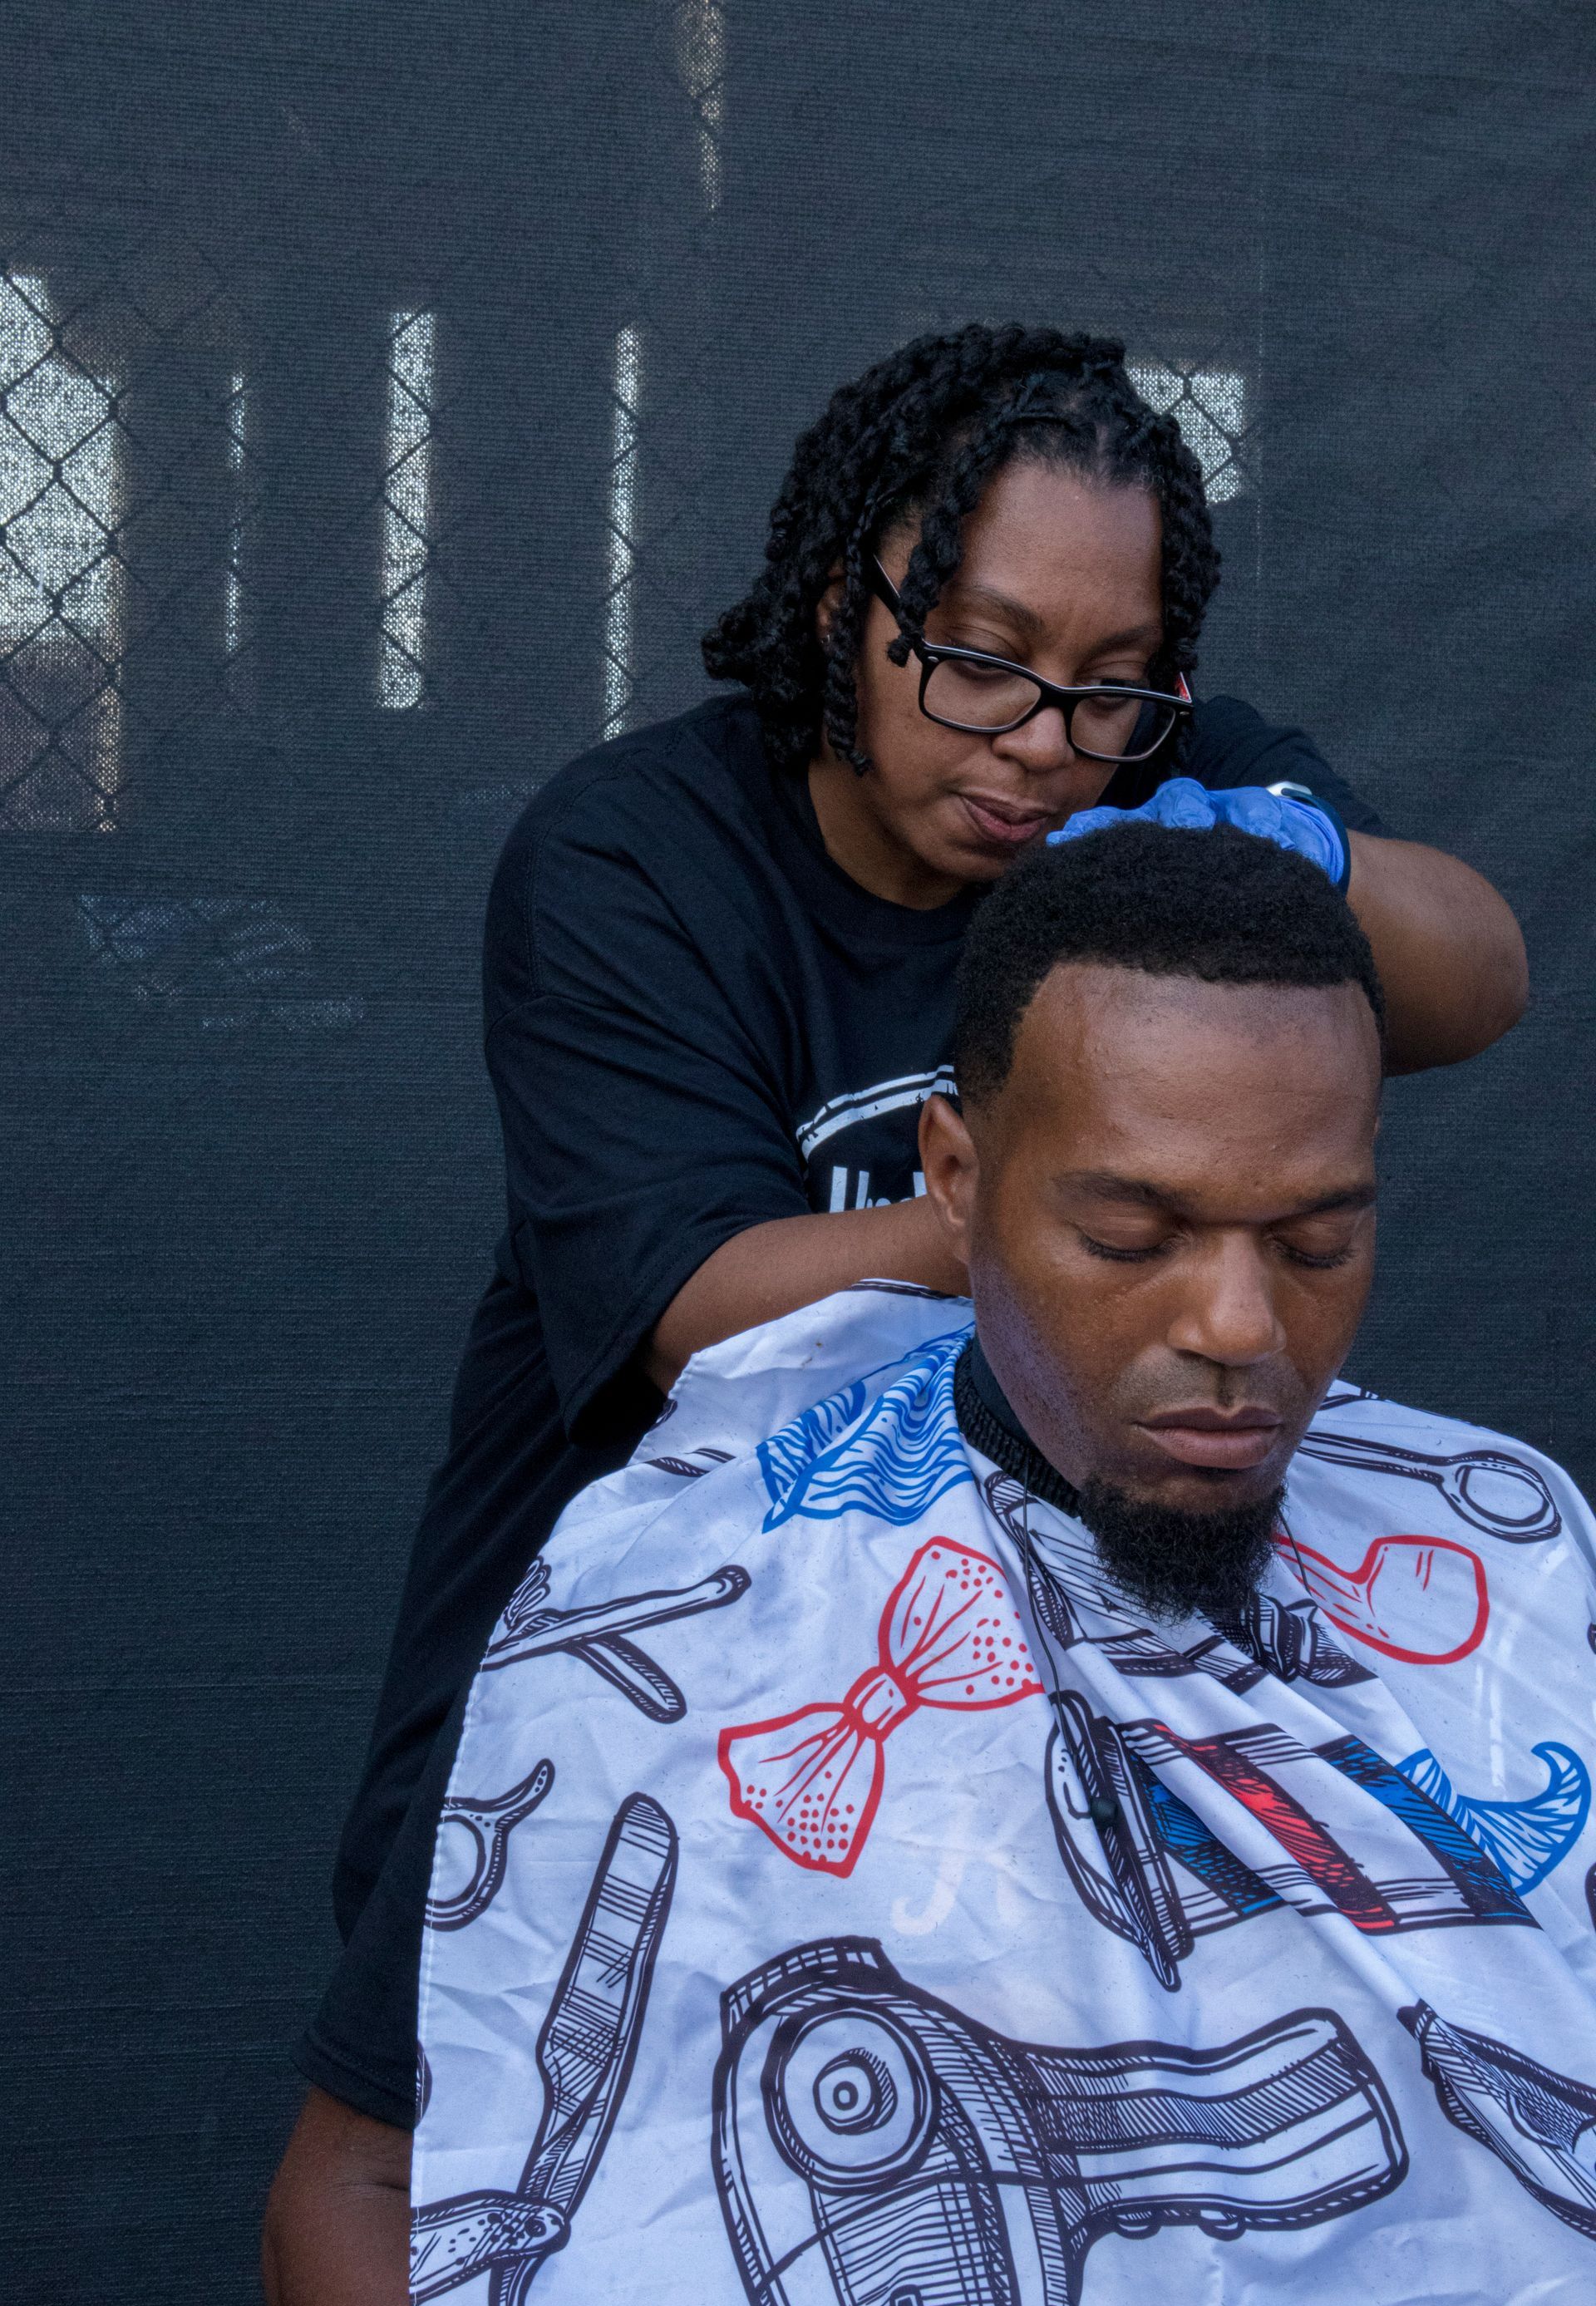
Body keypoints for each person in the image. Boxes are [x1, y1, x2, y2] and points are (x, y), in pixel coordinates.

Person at [293, 323, 1528, 2161]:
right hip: (638, 1672)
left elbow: (1476, 976)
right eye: (981, 660)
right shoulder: (638, 861)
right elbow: (690, 1306)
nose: (1045, 745)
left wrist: (1297, 856)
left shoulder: (1150, 777)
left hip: (1018, 1718)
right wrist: (1062, 1233)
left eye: (1114, 687)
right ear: (834, 608)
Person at [264, 822, 1594, 2306]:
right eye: (1131, 1237)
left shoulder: (1519, 1571)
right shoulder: (677, 1622)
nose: (1242, 1326)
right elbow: (353, 2200)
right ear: (954, 1180)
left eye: (1317, 1240)